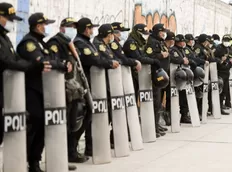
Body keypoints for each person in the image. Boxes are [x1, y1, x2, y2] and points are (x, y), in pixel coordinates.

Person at [17, 12, 72, 172]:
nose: (45, 27)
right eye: (44, 25)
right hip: (30, 89)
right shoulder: (29, 43)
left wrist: (61, 63)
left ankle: (35, 160)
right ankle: (27, 161)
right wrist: (59, 65)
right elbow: (43, 61)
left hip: (43, 89)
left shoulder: (40, 42)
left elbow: (52, 60)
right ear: (38, 25)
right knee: (35, 123)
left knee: (42, 125)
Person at [0, 2, 51, 148]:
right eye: (8, 19)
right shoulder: (26, 41)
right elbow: (6, 61)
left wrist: (29, 65)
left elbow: (15, 59)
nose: (11, 23)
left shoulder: (5, 38)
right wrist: (32, 65)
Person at [47, 17, 88, 165]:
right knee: (66, 124)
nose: (72, 29)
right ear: (62, 27)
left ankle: (70, 152)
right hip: (63, 91)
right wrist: (63, 64)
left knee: (76, 121)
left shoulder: (69, 43)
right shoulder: (55, 43)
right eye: (69, 26)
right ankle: (63, 156)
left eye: (74, 26)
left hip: (75, 89)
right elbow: (54, 62)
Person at [73, 18, 117, 156]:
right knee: (84, 118)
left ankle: (89, 147)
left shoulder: (87, 43)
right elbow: (92, 59)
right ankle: (74, 149)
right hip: (84, 84)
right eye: (91, 28)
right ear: (86, 29)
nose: (92, 31)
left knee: (90, 117)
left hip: (92, 83)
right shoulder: (80, 43)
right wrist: (109, 63)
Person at [122, 24, 160, 116]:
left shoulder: (139, 42)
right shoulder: (131, 43)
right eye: (143, 33)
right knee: (132, 97)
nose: (146, 35)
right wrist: (153, 61)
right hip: (131, 74)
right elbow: (138, 57)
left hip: (138, 74)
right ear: (138, 33)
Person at [144, 23, 169, 137]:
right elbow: (150, 56)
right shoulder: (152, 42)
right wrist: (161, 55)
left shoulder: (160, 42)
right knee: (154, 102)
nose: (163, 33)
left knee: (158, 103)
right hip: (154, 75)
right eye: (161, 31)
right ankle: (153, 127)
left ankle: (156, 125)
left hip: (161, 75)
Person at [169, 34, 192, 123]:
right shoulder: (173, 50)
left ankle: (184, 115)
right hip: (176, 76)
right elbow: (174, 59)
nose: (184, 43)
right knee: (174, 98)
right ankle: (172, 117)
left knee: (183, 97)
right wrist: (182, 60)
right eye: (182, 41)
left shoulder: (182, 50)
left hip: (183, 76)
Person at [214, 34, 232, 115]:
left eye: (228, 41)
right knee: (220, 90)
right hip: (220, 71)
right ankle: (218, 107)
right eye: (225, 41)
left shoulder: (229, 49)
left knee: (224, 90)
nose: (226, 42)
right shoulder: (218, 48)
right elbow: (213, 57)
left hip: (227, 71)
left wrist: (231, 61)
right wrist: (220, 60)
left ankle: (221, 106)